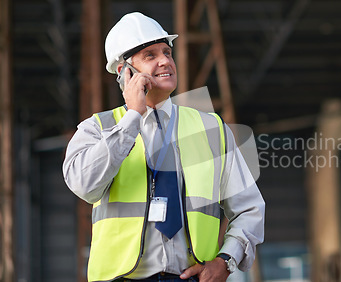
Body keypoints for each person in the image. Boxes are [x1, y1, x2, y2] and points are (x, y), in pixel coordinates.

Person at [63, 12, 265, 282]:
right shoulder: (98, 128)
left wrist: (225, 261)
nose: (165, 61)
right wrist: (132, 118)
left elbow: (249, 208)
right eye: (150, 55)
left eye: (167, 52)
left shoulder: (212, 129)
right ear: (124, 72)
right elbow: (85, 186)